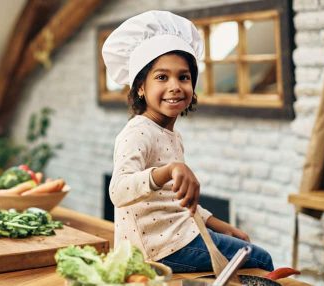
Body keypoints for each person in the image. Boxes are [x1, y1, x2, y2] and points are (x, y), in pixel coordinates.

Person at [102, 10, 274, 273]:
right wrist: (169, 171)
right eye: (161, 77)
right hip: (158, 249)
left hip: (177, 238)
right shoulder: (138, 131)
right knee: (261, 260)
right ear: (140, 87)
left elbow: (176, 202)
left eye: (183, 77)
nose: (175, 86)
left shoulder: (172, 135)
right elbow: (118, 191)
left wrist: (221, 225)